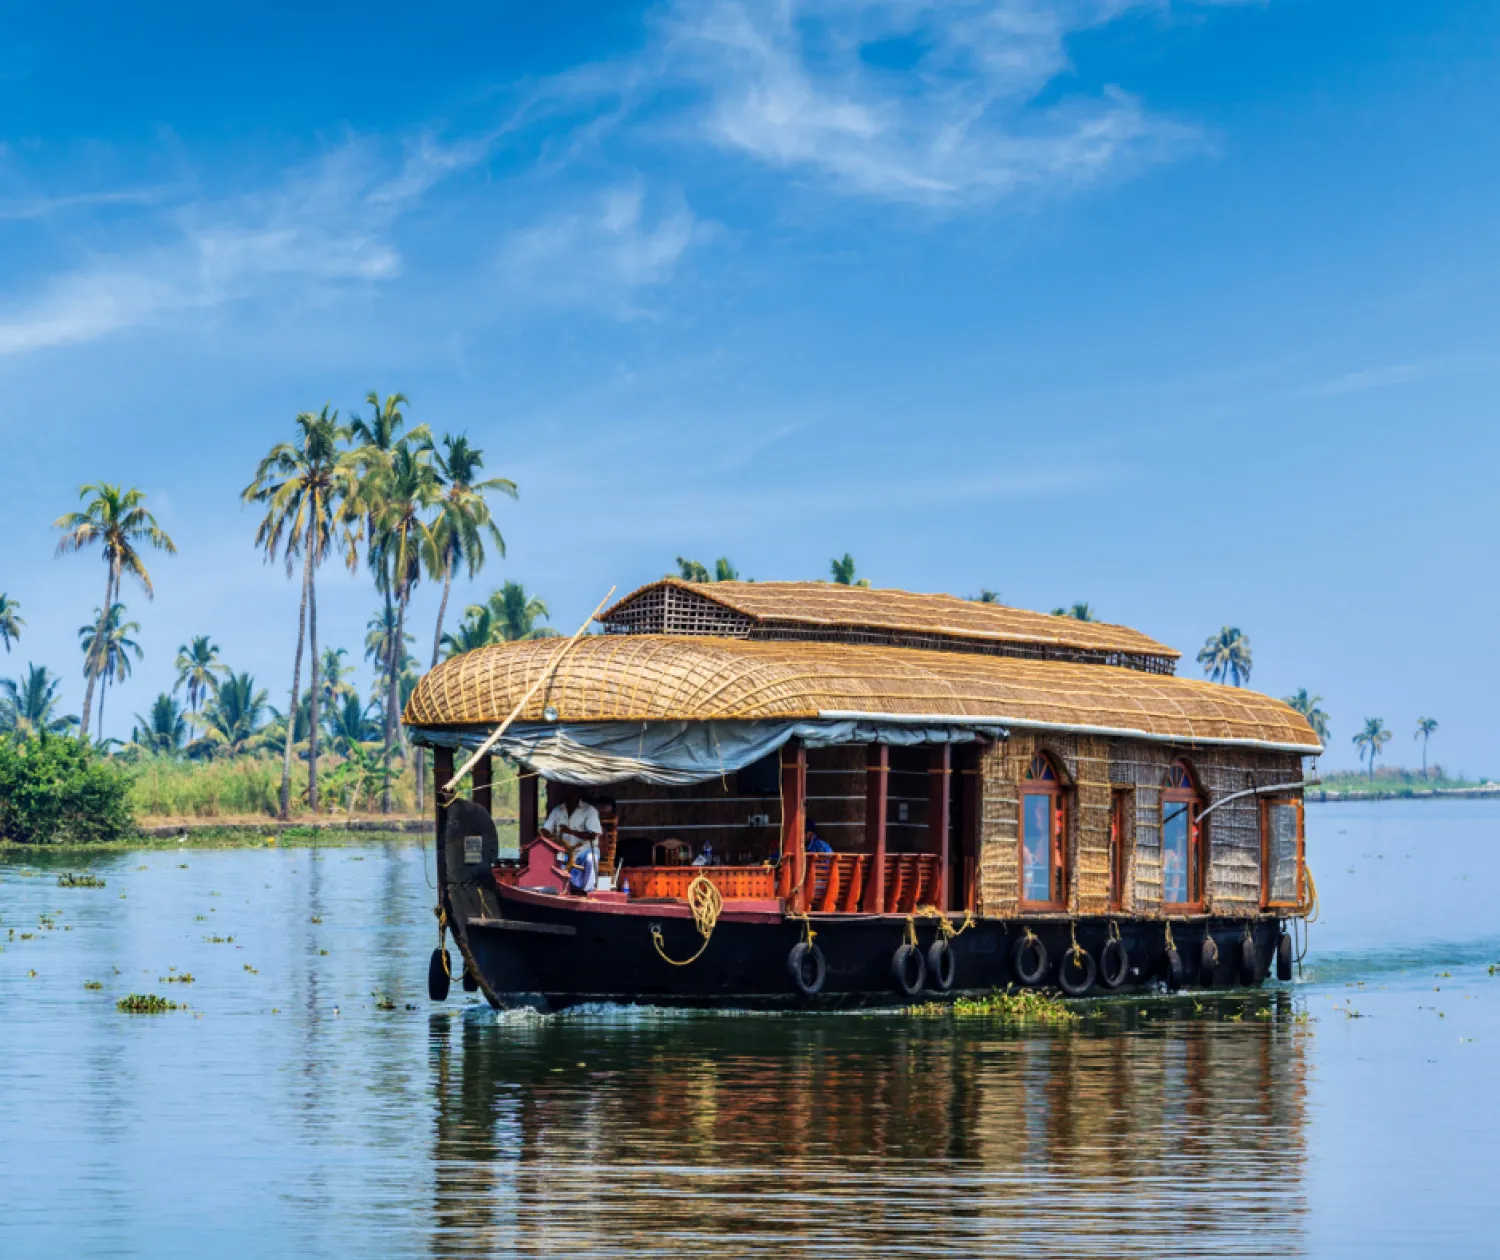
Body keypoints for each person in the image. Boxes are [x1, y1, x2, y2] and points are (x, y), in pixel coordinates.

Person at [540, 783, 603, 895]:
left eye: (573, 791)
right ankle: (558, 891)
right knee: (553, 860)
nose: (570, 794)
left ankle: (589, 892)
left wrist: (570, 831)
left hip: (585, 851)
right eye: (567, 791)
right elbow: (546, 830)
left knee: (591, 858)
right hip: (565, 853)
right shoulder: (557, 811)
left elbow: (592, 835)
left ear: (579, 793)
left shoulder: (590, 811)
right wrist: (547, 834)